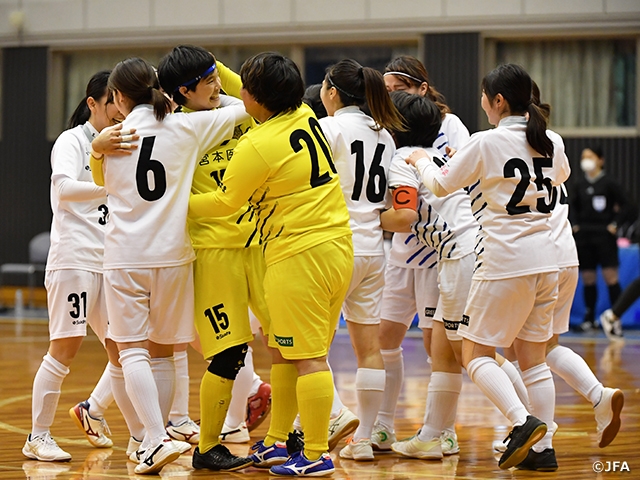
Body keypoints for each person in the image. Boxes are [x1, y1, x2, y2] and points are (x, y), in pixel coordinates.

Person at [189, 52, 354, 477]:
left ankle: (315, 452)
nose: (235, 90)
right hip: (335, 246)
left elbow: (226, 203)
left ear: (255, 98)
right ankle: (279, 441)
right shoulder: (302, 113)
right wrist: (214, 65)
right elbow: (246, 83)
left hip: (297, 254)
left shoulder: (258, 145)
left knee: (309, 358)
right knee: (284, 349)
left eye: (243, 87)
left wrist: (169, 206)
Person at [90, 57, 250, 475]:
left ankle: (153, 438)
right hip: (176, 255)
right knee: (162, 353)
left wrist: (95, 148)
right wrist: (213, 85)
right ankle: (153, 441)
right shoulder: (186, 127)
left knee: (131, 351)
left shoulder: (112, 137)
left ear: (120, 98)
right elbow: (243, 107)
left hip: (127, 255)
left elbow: (103, 185)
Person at [406, 63, 571, 470]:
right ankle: (542, 449)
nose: (482, 102)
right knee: (534, 360)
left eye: (485, 95)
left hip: (503, 260)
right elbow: (560, 177)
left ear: (498, 101)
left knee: (475, 353)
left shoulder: (486, 141)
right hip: (547, 260)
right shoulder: (552, 140)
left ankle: (521, 421)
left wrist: (419, 159)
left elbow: (441, 184)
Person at [156, 45, 271, 469]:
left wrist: (211, 61)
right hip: (212, 252)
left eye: (217, 77)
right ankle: (208, 445)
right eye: (208, 81)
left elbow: (256, 96)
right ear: (183, 92)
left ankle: (289, 435)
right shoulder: (176, 129)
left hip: (260, 244)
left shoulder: (230, 105)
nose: (219, 85)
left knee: (289, 343)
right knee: (227, 353)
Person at [23, 71, 125, 462]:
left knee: (125, 351)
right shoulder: (73, 140)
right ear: (93, 103)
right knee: (64, 348)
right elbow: (64, 189)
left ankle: (100, 415)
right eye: (112, 101)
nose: (119, 110)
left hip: (109, 260)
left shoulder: (120, 143)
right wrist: (110, 187)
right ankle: (37, 436)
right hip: (75, 259)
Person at [373, 55, 471, 453]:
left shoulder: (450, 127)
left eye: (398, 91)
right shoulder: (386, 130)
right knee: (383, 337)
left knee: (442, 347)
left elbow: (464, 179)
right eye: (387, 93)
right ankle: (380, 425)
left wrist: (372, 219)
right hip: (402, 250)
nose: (391, 99)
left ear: (421, 90)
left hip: (441, 250)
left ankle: (441, 429)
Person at [317, 58, 403, 461]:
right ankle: (364, 439)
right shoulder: (385, 136)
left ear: (332, 92)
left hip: (333, 244)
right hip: (374, 248)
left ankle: (328, 420)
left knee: (311, 349)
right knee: (369, 349)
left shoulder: (327, 128)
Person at [569, 146, 634, 333]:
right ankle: (589, 318)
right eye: (583, 156)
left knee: (610, 277)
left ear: (600, 160)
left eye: (590, 156)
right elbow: (571, 206)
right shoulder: (579, 184)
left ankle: (616, 318)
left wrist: (615, 224)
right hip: (584, 237)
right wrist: (574, 225)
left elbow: (628, 204)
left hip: (604, 236)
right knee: (588, 278)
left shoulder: (609, 183)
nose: (586, 160)